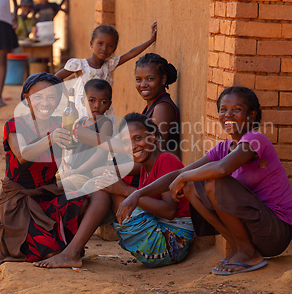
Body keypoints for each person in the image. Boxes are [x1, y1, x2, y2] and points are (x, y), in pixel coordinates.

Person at [118, 86, 292, 276]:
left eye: (237, 109)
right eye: (223, 109)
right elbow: (182, 172)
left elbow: (221, 169)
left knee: (212, 181)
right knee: (192, 186)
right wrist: (138, 193)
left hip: (276, 232)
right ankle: (237, 246)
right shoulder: (224, 147)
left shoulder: (256, 139)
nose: (228, 115)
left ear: (251, 115)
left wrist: (183, 176)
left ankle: (248, 253)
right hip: (256, 229)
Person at [34, 113, 194, 269]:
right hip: (160, 236)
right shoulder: (147, 165)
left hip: (170, 244)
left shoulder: (165, 161)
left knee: (107, 187)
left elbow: (169, 210)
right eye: (125, 143)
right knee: (105, 185)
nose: (132, 146)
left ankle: (71, 251)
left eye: (138, 138)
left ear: (152, 138)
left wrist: (126, 191)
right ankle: (69, 248)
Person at [0, 73, 85, 267]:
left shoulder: (62, 123)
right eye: (38, 97)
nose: (45, 102)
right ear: (26, 100)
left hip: (46, 196)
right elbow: (22, 155)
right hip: (17, 201)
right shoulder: (14, 125)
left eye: (51, 97)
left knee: (84, 197)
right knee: (49, 249)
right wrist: (50, 139)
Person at [55, 22, 157, 119]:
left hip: (104, 110)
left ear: (114, 49)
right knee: (84, 134)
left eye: (110, 46)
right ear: (91, 44)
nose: (104, 48)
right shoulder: (79, 65)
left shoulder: (109, 65)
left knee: (103, 134)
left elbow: (131, 54)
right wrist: (70, 98)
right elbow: (57, 77)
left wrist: (151, 40)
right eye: (100, 43)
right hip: (83, 110)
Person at [61, 79, 113, 192]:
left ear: (109, 104)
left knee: (59, 187)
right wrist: (68, 164)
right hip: (72, 170)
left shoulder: (105, 124)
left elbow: (101, 153)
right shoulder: (79, 122)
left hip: (87, 174)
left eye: (103, 102)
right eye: (92, 100)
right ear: (83, 101)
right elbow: (74, 148)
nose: (97, 106)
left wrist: (78, 170)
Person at [135, 52, 179, 153]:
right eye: (138, 79)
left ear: (163, 79)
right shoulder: (152, 106)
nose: (143, 85)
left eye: (150, 79)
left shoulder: (162, 108)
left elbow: (156, 151)